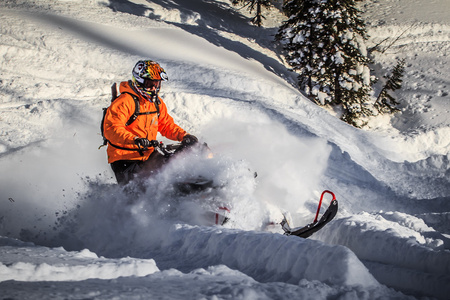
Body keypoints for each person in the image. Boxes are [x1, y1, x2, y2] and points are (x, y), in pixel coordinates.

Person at [103, 60, 198, 184]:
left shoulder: (155, 103)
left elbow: (166, 125)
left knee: (176, 167)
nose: (153, 88)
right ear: (139, 80)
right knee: (155, 183)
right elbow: (111, 128)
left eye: (157, 84)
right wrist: (135, 139)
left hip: (148, 154)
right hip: (126, 159)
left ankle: (201, 192)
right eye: (149, 83)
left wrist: (184, 136)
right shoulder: (125, 102)